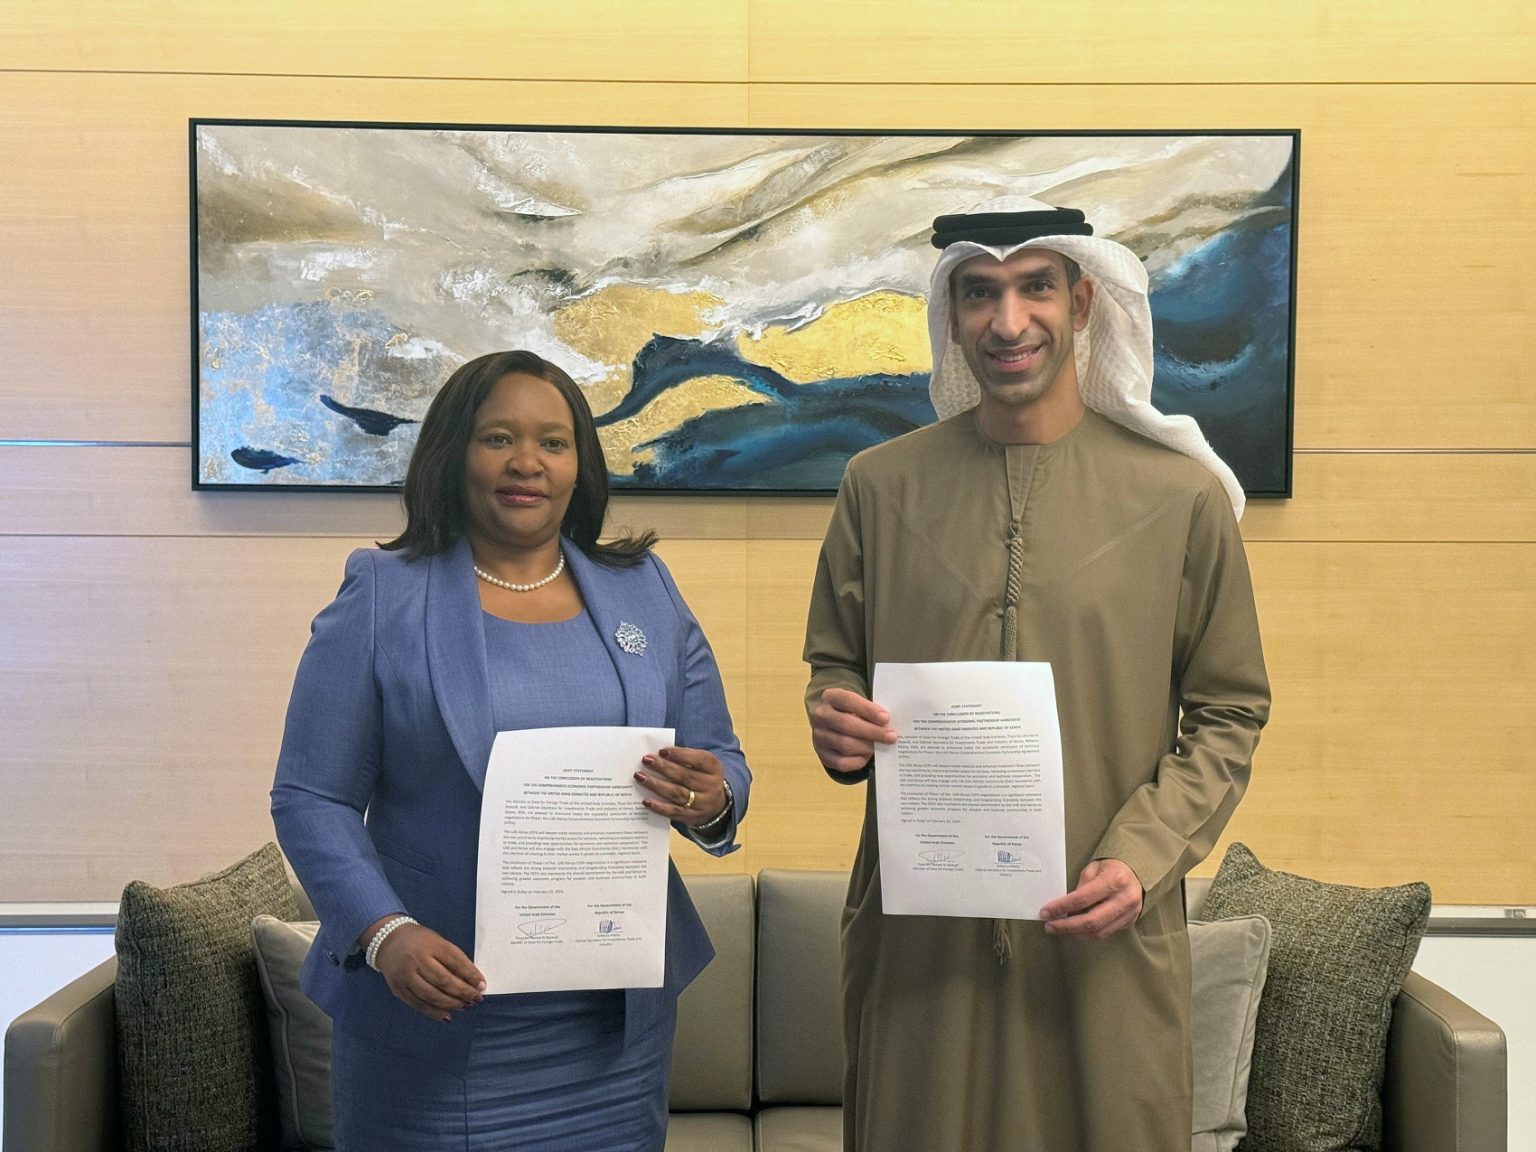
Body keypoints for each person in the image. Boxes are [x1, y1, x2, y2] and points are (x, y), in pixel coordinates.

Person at [803, 199, 1270, 1151]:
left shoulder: (1179, 497)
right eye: (980, 294)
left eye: (1035, 289)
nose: (1007, 322)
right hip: (923, 945)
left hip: (1104, 941)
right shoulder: (879, 487)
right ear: (953, 313)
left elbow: (1230, 709)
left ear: (1083, 302)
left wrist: (1142, 856)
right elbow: (836, 663)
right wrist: (834, 719)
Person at [271, 349, 749, 1151]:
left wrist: (711, 798)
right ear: (453, 452)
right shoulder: (384, 592)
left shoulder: (645, 587)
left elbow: (720, 758)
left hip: (611, 1034)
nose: (528, 462)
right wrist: (385, 934)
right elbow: (310, 796)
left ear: (579, 464)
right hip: (433, 1018)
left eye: (553, 443)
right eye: (499, 438)